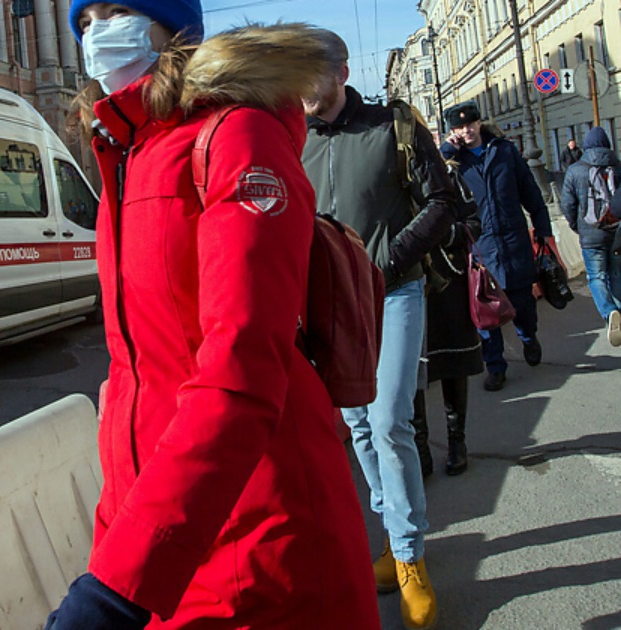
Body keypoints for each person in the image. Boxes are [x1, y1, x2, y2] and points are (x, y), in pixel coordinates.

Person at [45, 5, 379, 628]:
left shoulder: (235, 136)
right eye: (83, 20)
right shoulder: (127, 153)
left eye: (115, 11)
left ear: (170, 23)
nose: (95, 35)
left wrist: (119, 583)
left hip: (264, 545)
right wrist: (115, 547)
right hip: (169, 538)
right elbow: (133, 377)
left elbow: (242, 367)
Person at [301, 30, 457, 630]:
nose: (300, 87)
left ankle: (412, 556)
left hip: (397, 292)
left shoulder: (391, 125)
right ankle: (394, 539)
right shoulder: (295, 141)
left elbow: (443, 201)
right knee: (359, 424)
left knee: (390, 419)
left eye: (309, 72)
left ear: (340, 71)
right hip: (335, 308)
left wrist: (386, 263)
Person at [442, 101, 555, 391]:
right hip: (481, 248)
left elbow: (529, 191)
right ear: (452, 131)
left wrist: (543, 229)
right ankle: (496, 367)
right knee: (485, 313)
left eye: (470, 124)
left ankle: (528, 337)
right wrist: (446, 153)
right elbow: (433, 186)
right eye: (458, 127)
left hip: (514, 241)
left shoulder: (504, 151)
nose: (466, 130)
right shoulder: (454, 163)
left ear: (480, 123)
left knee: (523, 305)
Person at [413, 158, 485, 478]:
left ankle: (457, 442)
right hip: (407, 284)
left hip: (449, 281)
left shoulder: (446, 174)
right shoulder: (383, 173)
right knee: (410, 372)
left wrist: (445, 233)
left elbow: (473, 221)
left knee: (453, 364)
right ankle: (420, 448)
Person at [560, 127, 621, 346]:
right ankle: (619, 310)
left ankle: (609, 312)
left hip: (590, 233)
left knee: (596, 277)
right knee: (616, 273)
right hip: (617, 232)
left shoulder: (575, 170)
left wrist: (577, 226)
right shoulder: (618, 166)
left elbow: (567, 204)